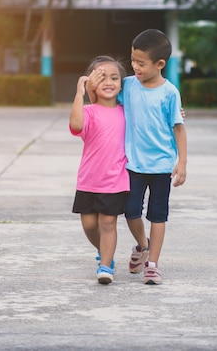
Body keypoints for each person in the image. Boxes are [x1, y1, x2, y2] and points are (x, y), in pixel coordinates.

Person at [88, 29, 187, 285]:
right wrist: (91, 85)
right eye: (133, 61)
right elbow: (105, 99)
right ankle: (142, 246)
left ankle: (152, 265)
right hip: (132, 165)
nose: (134, 67)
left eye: (140, 63)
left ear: (160, 64)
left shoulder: (169, 93)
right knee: (131, 211)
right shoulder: (129, 85)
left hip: (162, 167)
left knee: (158, 215)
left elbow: (178, 128)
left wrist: (182, 163)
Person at [69, 55, 129, 285]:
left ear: (122, 84)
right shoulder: (90, 111)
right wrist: (79, 92)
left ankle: (106, 265)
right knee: (89, 225)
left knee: (108, 223)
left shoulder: (126, 111)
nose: (109, 82)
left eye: (115, 78)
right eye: (102, 77)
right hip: (88, 180)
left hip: (115, 179)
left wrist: (176, 114)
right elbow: (75, 125)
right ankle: (105, 251)